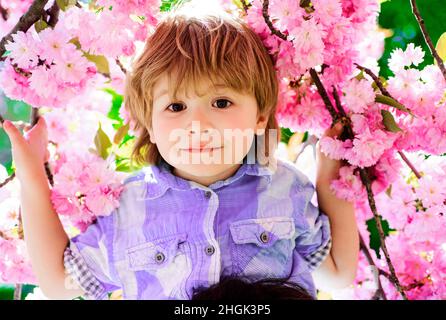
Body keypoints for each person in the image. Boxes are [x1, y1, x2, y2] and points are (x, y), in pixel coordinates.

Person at [3, 3, 359, 300]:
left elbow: (338, 273)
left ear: (259, 117)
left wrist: (329, 177)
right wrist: (33, 177)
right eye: (175, 107)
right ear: (151, 126)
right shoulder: (129, 207)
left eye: (221, 102)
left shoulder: (284, 187)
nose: (198, 124)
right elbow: (59, 282)